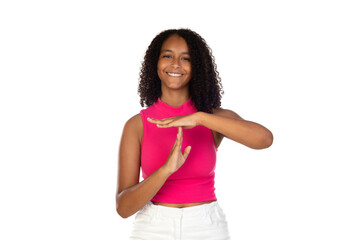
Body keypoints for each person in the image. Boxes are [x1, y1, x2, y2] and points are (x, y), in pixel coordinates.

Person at [116, 28, 273, 240]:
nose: (175, 64)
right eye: (168, 56)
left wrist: (199, 118)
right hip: (152, 228)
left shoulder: (214, 118)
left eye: (186, 58)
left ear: (196, 67)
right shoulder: (137, 125)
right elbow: (124, 208)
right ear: (156, 63)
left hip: (206, 227)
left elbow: (264, 139)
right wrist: (165, 170)